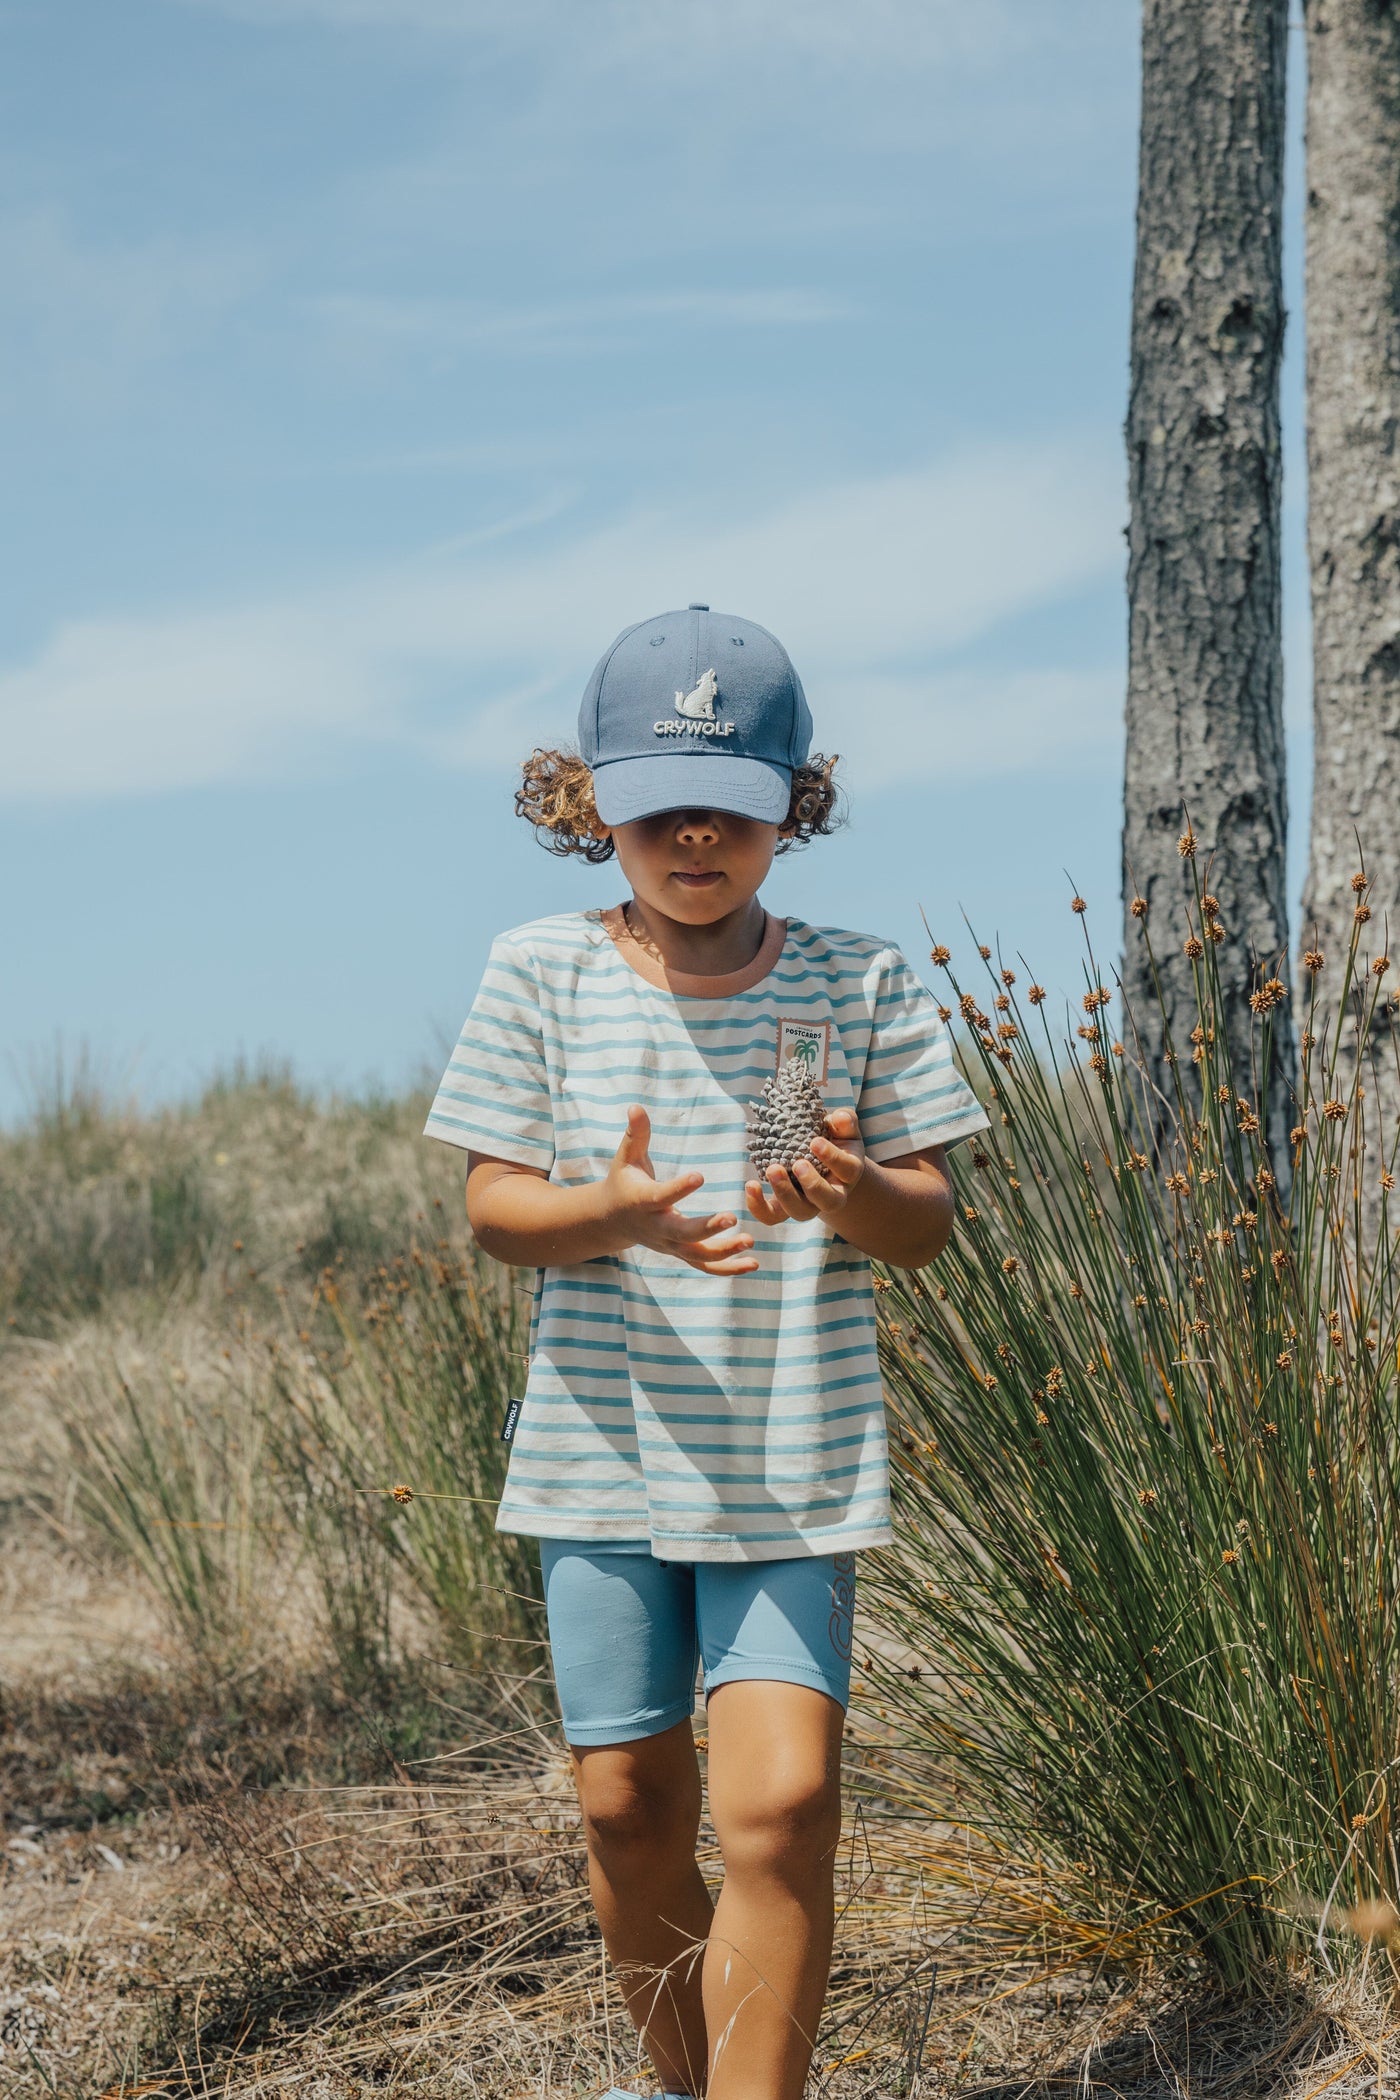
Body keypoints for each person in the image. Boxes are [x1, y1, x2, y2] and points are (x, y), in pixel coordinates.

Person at [424, 606, 987, 2100]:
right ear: (583, 804)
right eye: (652, 807)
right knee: (627, 1803)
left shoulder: (853, 987)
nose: (690, 838)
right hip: (597, 1455)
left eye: (728, 807)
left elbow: (925, 1223)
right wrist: (607, 1212)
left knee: (784, 1809)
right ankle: (675, 2082)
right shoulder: (540, 973)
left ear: (792, 806)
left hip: (790, 1458)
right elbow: (493, 1211)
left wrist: (853, 1191)